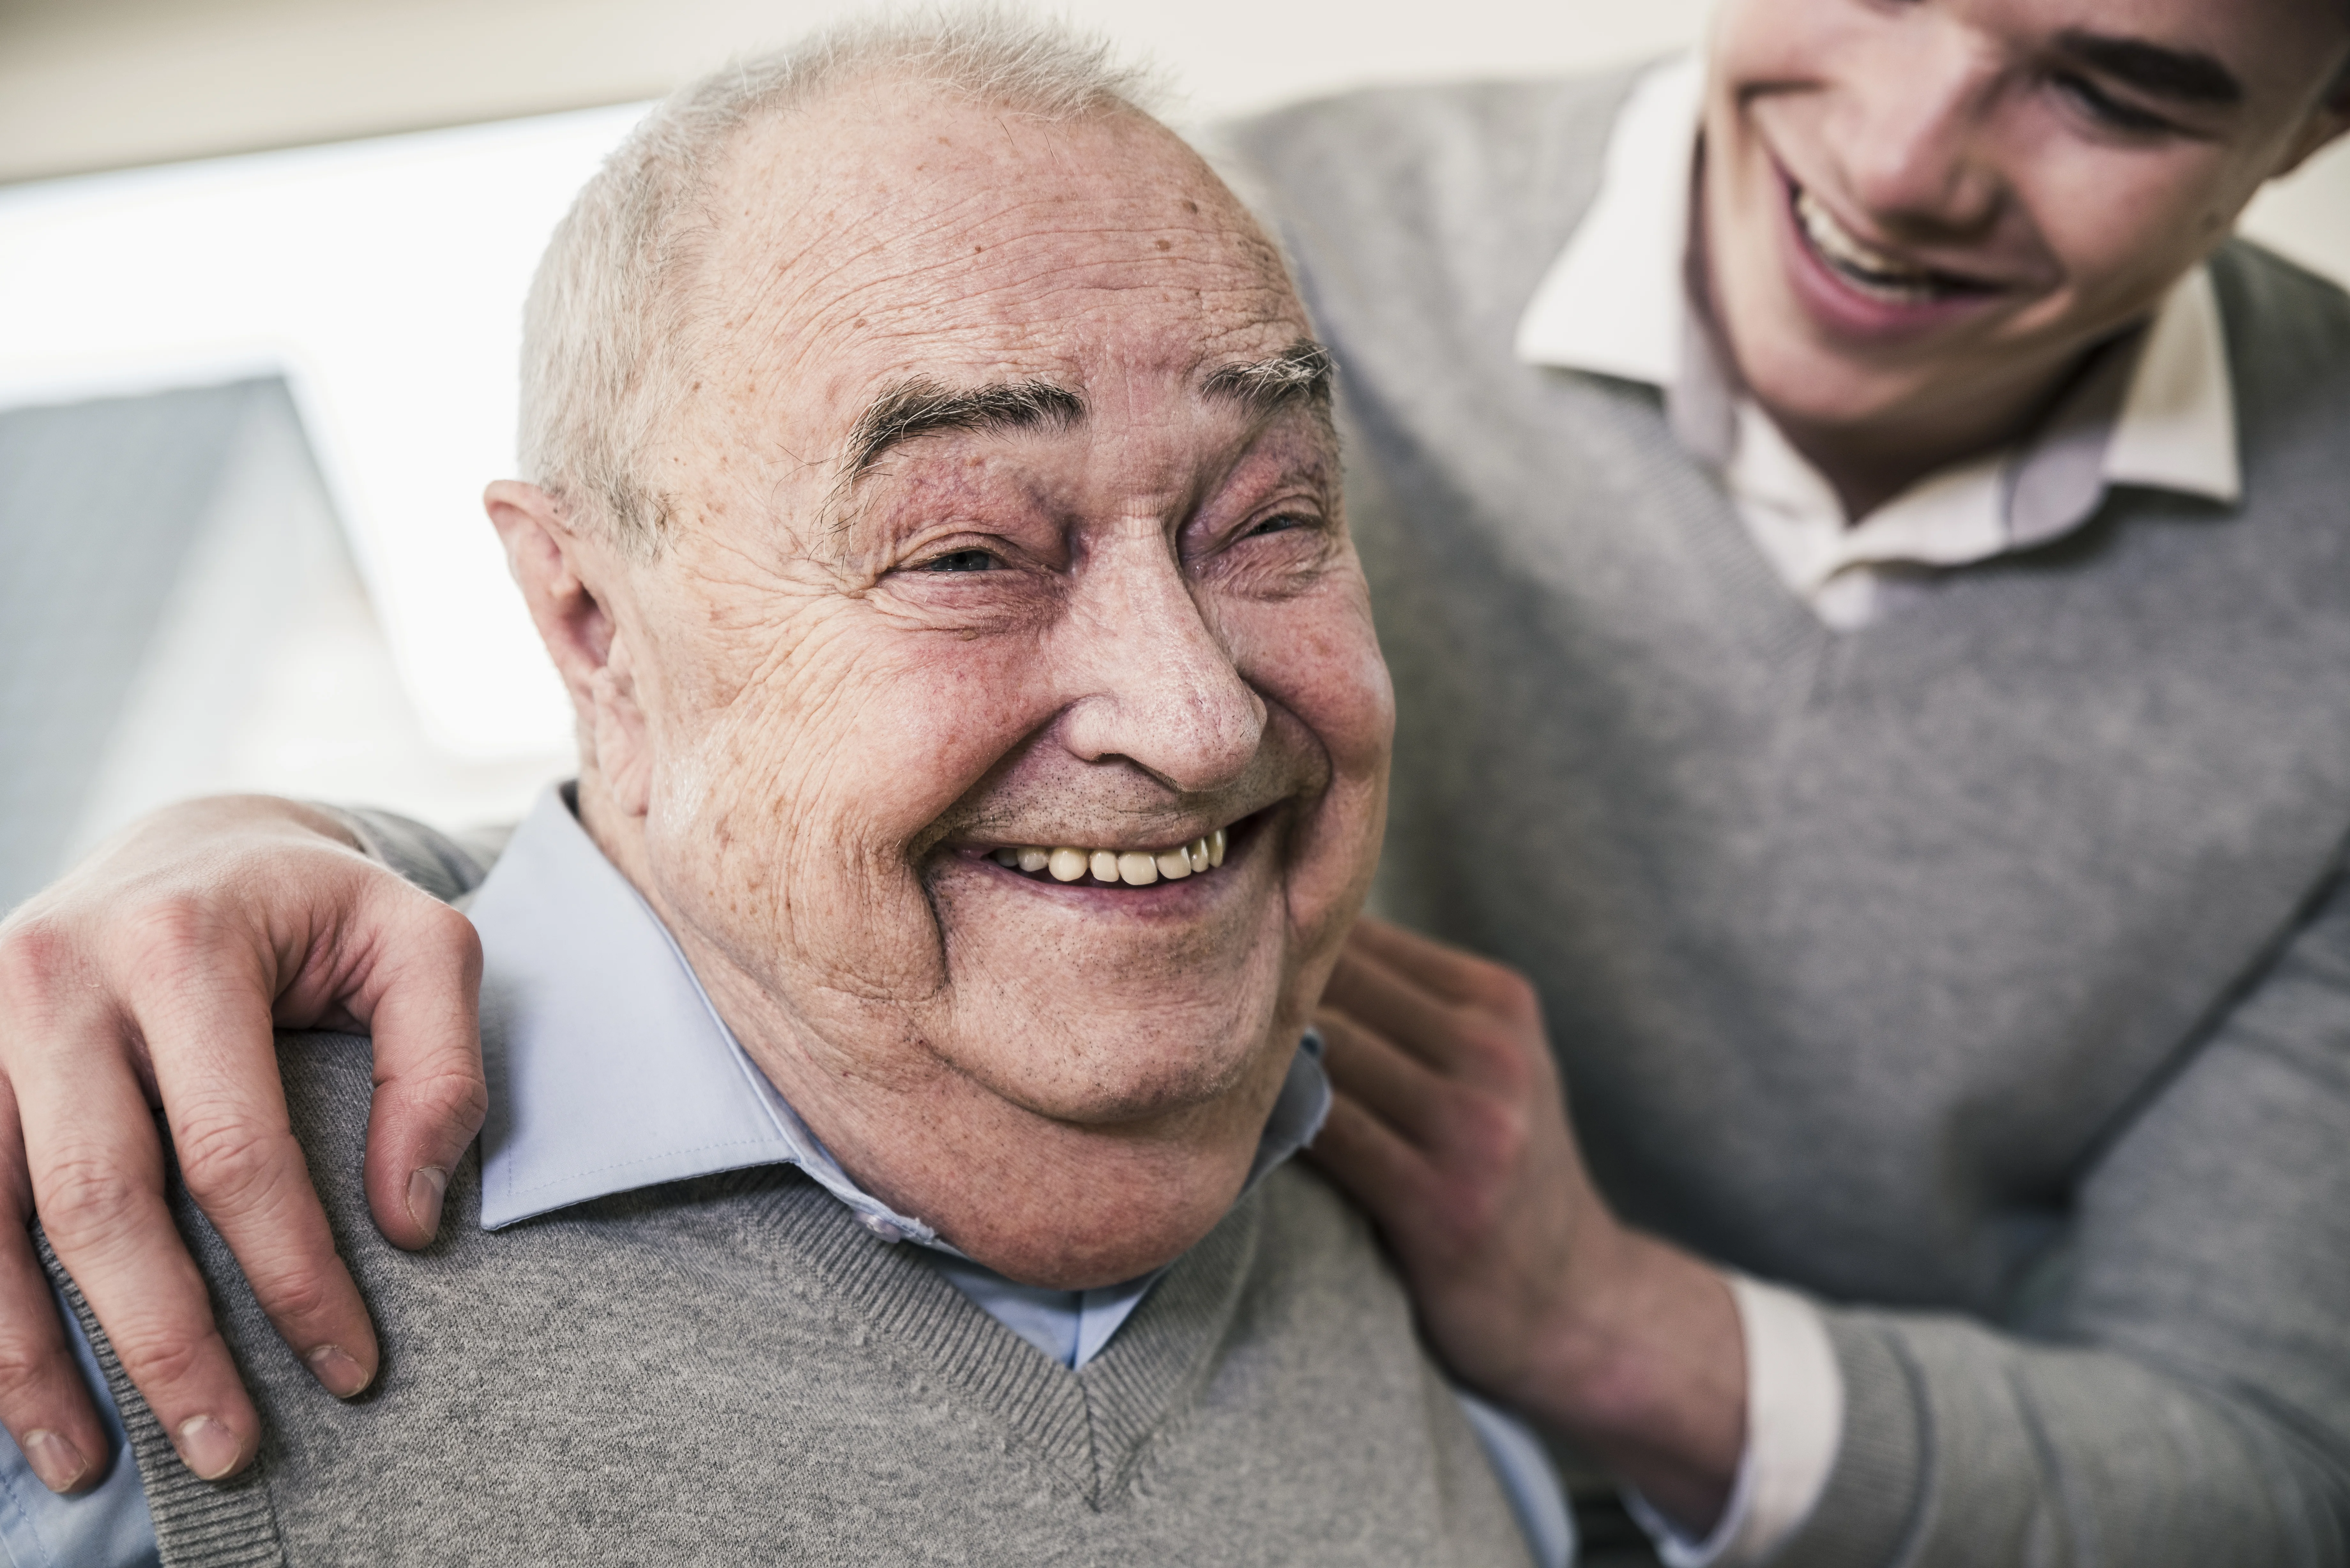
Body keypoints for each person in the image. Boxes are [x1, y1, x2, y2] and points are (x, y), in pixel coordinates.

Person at [6, 0, 2350, 1562]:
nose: (1902, 147)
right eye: (973, 543)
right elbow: (766, 679)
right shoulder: (1236, 239)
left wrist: (1613, 1333)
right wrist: (274, 856)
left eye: (2117, 83)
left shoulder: (1457, 1440)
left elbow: (2276, 1455)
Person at [0, 15, 1583, 1566]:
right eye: (964, 552)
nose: (1194, 720)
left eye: (1269, 518)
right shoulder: (109, 1221)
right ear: (591, 622)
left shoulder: (1440, 1234)